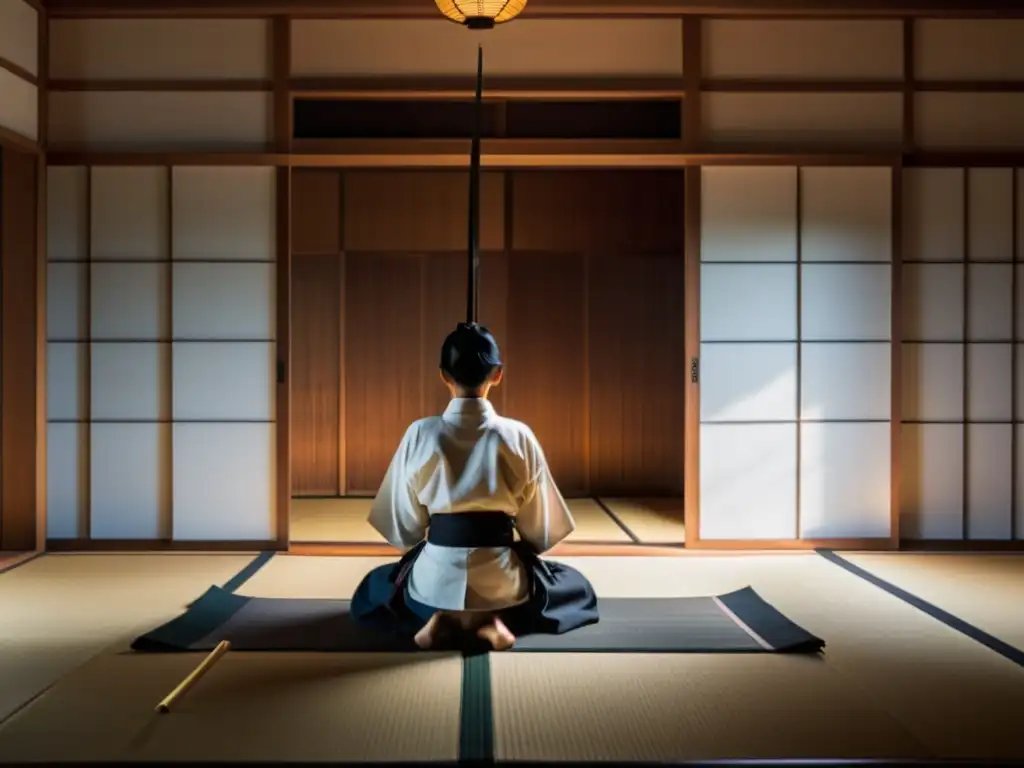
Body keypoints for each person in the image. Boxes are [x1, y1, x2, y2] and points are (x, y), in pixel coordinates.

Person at [350, 322, 599, 651]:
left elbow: (405, 530)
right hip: (504, 581)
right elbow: (540, 533)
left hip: (433, 579)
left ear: (443, 375)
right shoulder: (518, 435)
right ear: (497, 374)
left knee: (379, 586)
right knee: (572, 586)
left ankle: (444, 616)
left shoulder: (419, 434)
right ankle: (490, 619)